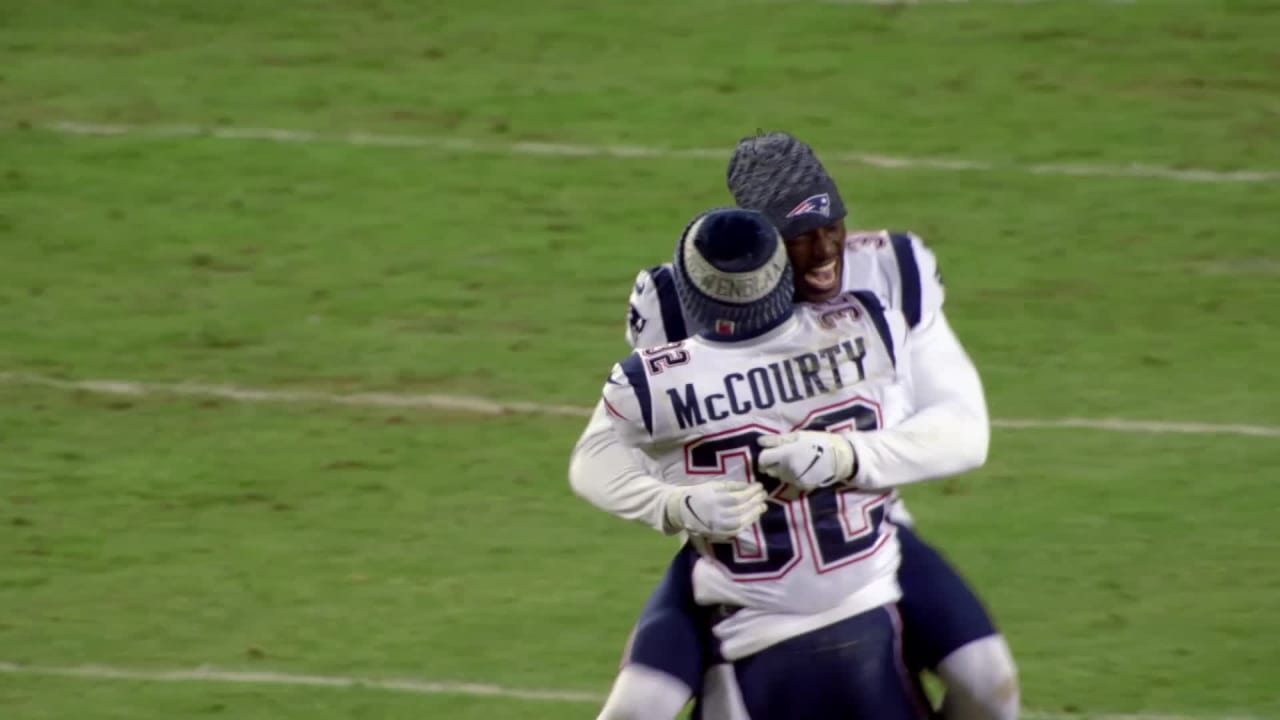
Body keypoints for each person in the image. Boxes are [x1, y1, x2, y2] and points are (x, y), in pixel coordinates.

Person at [570, 132, 1018, 720]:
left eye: (830, 225)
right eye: (796, 237)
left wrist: (847, 458)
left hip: (864, 529)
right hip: (739, 550)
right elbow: (611, 445)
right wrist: (675, 502)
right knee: (635, 710)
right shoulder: (685, 298)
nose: (822, 250)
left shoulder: (886, 279)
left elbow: (963, 430)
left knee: (990, 683)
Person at [599, 206, 930, 719]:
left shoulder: (646, 385)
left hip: (746, 605)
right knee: (983, 677)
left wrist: (672, 501)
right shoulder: (873, 325)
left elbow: (603, 461)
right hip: (861, 582)